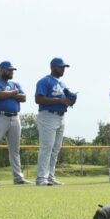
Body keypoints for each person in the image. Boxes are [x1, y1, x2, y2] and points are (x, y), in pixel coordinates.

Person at [0, 61, 29, 184]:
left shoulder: (15, 83)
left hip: (15, 117)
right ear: (1, 70)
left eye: (12, 70)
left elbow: (24, 97)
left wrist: (8, 93)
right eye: (9, 70)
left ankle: (18, 178)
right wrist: (14, 93)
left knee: (15, 150)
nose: (11, 72)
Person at [35, 57, 76, 186]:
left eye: (64, 67)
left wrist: (70, 101)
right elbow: (38, 99)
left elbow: (65, 100)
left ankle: (50, 177)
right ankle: (42, 178)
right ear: (53, 67)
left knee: (55, 149)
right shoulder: (44, 81)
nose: (63, 69)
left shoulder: (63, 84)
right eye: (61, 67)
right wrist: (59, 101)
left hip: (61, 116)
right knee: (47, 148)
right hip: (48, 116)